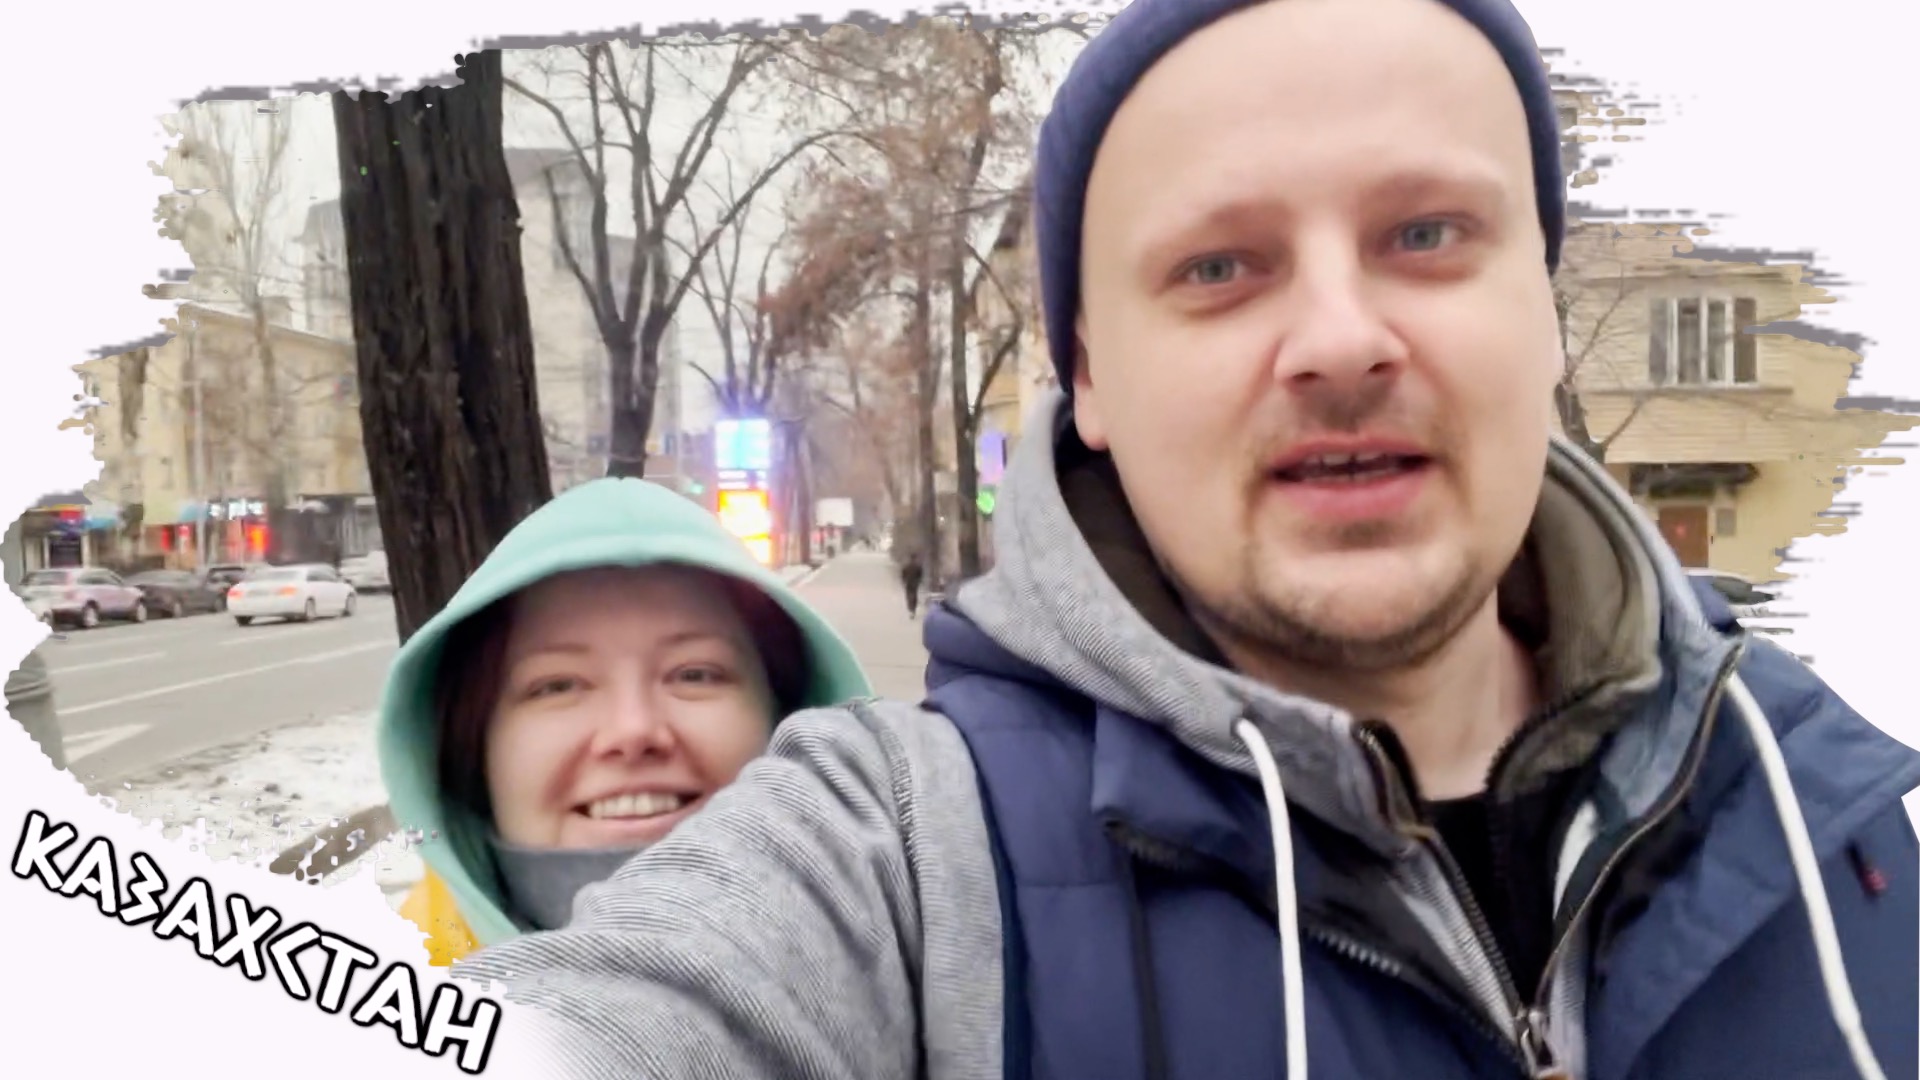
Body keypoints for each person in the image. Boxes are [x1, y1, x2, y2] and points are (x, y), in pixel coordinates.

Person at [453, 1, 1919, 1077]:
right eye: (1220, 266)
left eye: (1425, 235)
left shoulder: (1822, 794)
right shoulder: (908, 859)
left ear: (1544, 302)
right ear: (1088, 380)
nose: (1340, 338)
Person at [377, 476, 871, 964]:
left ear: (787, 718)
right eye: (558, 685)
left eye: (695, 674)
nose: (633, 730)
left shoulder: (902, 979)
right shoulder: (388, 1004)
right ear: (473, 750)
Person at [899, 551, 925, 618]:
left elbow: (903, 574)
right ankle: (913, 610)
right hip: (915, 583)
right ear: (915, 558)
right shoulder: (918, 566)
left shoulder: (906, 566)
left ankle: (910, 609)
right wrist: (919, 581)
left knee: (908, 596)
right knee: (914, 596)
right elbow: (920, 575)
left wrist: (903, 581)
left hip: (908, 583)